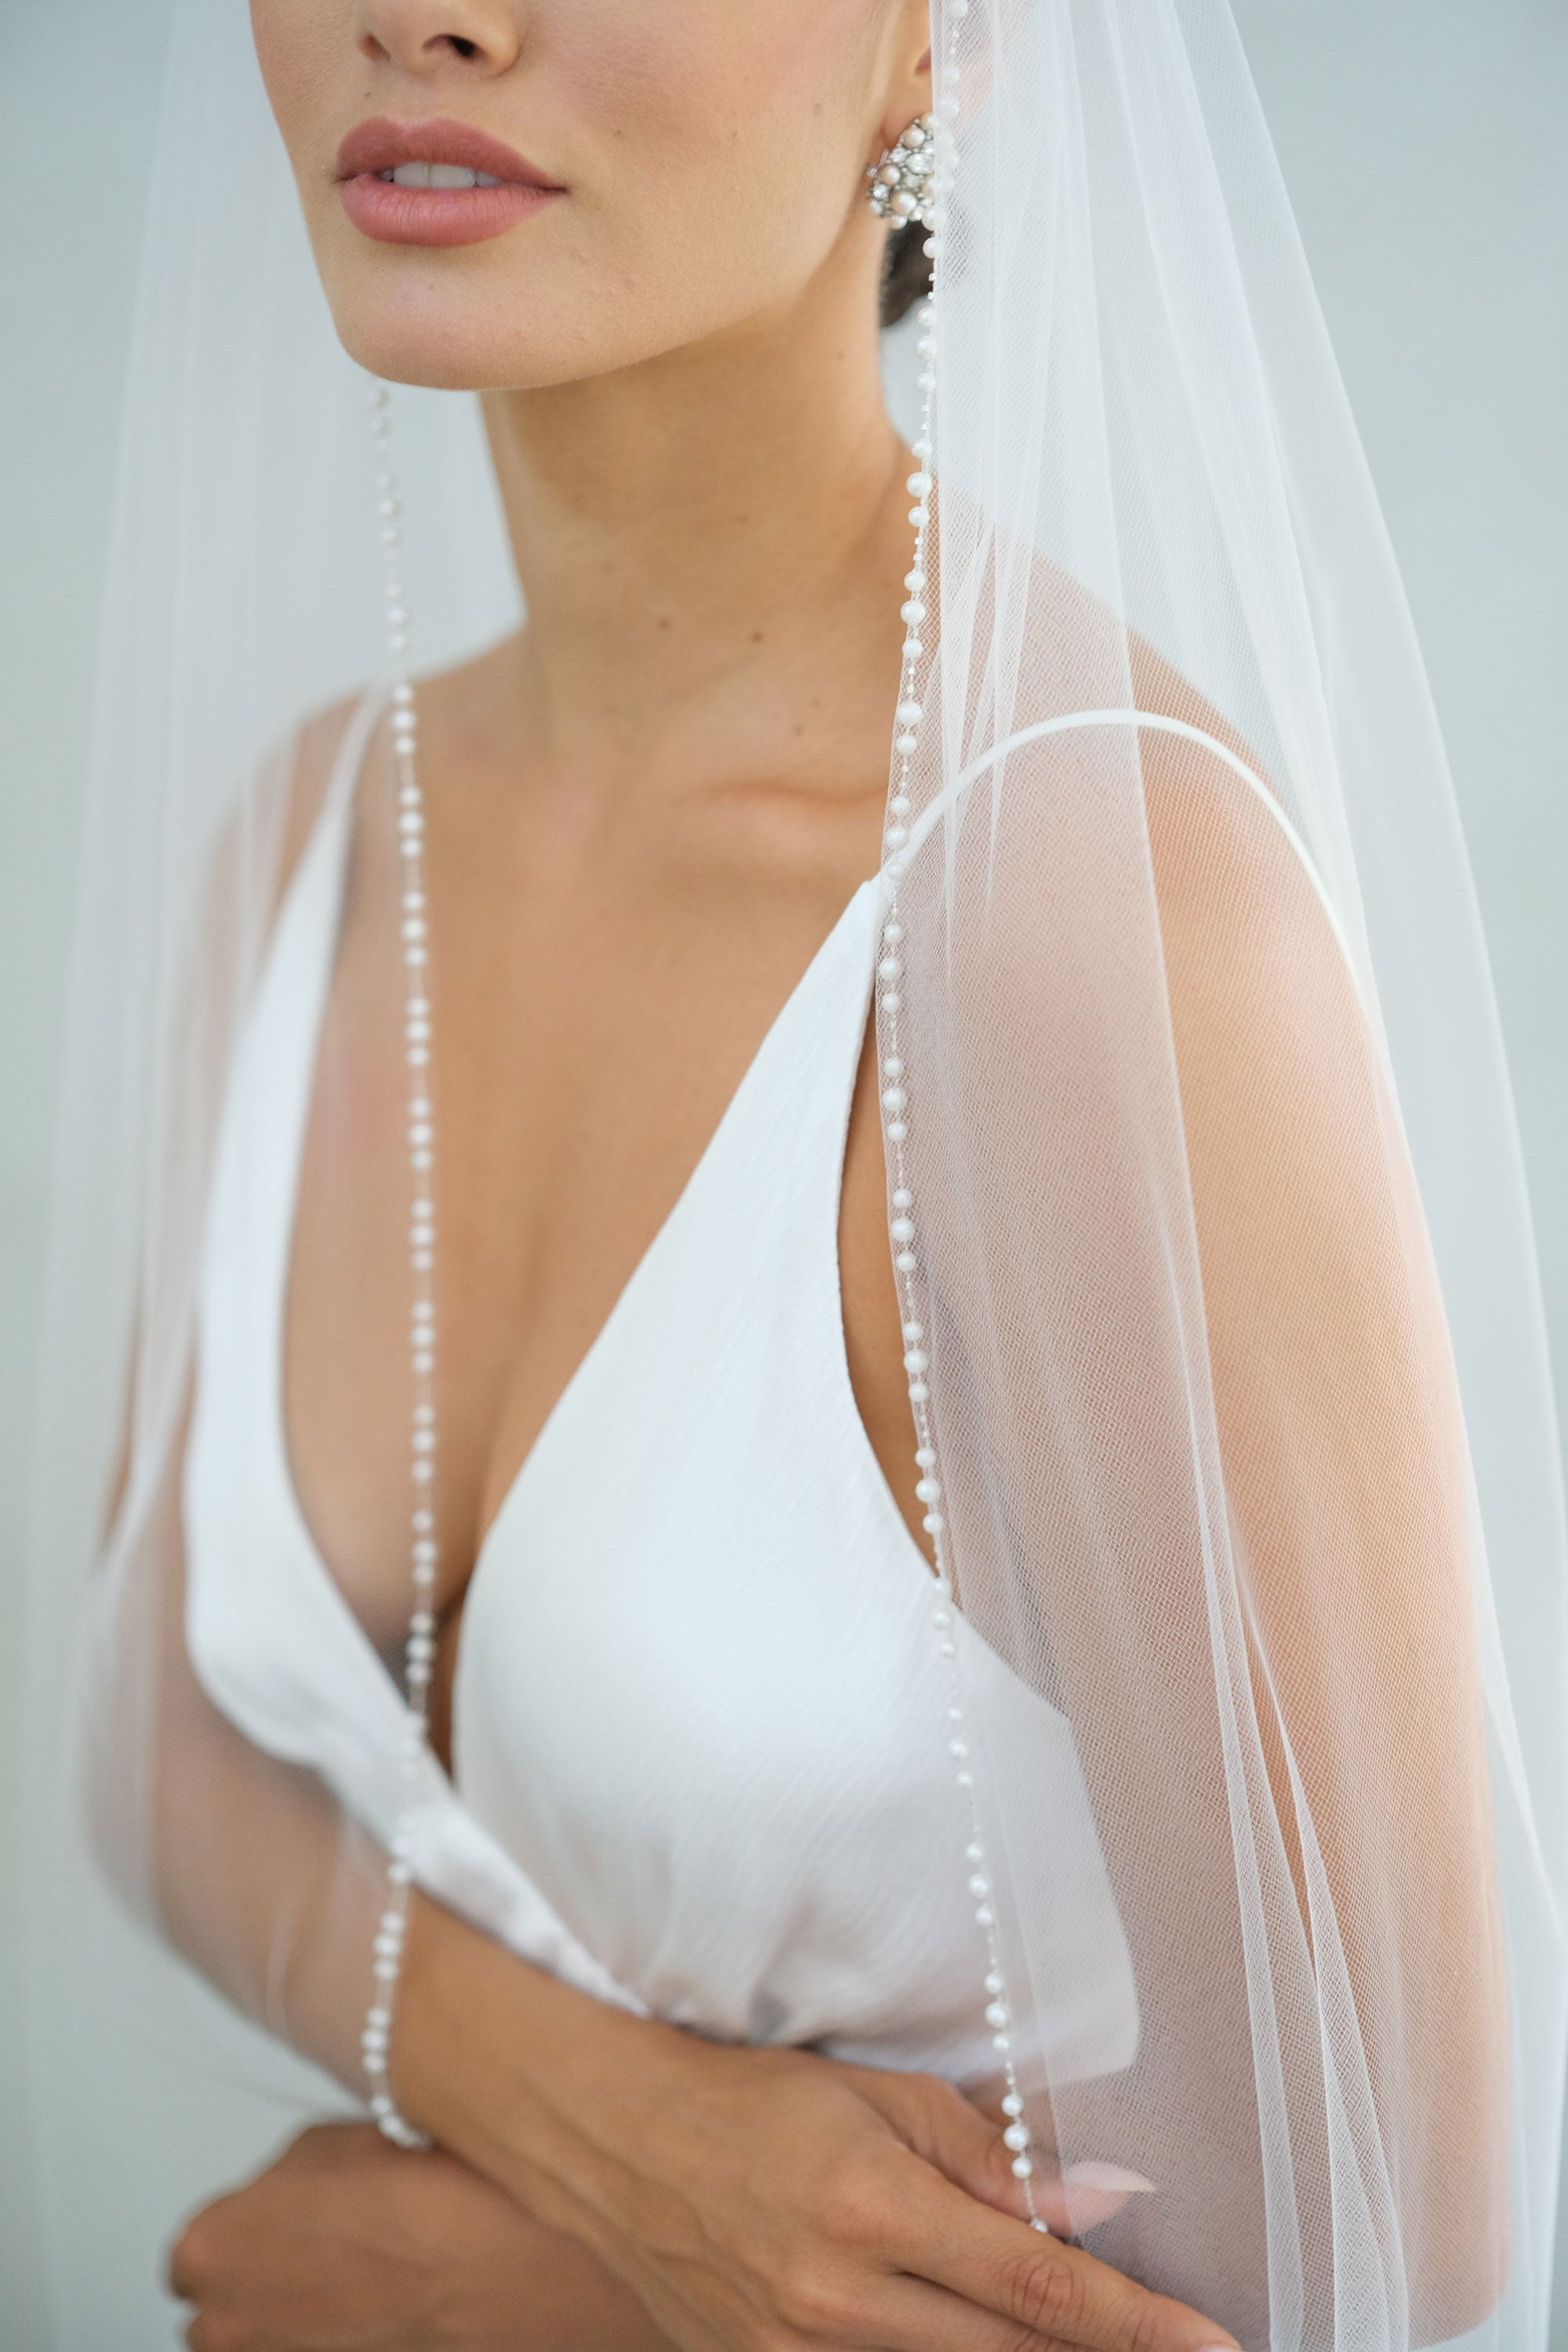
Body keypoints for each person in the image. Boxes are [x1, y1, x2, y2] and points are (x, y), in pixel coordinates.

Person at [26, 2, 1566, 2349]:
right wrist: (599, 2131)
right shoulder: (315, 849)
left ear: (945, 42)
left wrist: (434, 2267)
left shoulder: (1075, 925)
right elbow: (163, 1741)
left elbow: (1392, 2213)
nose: (429, 11)